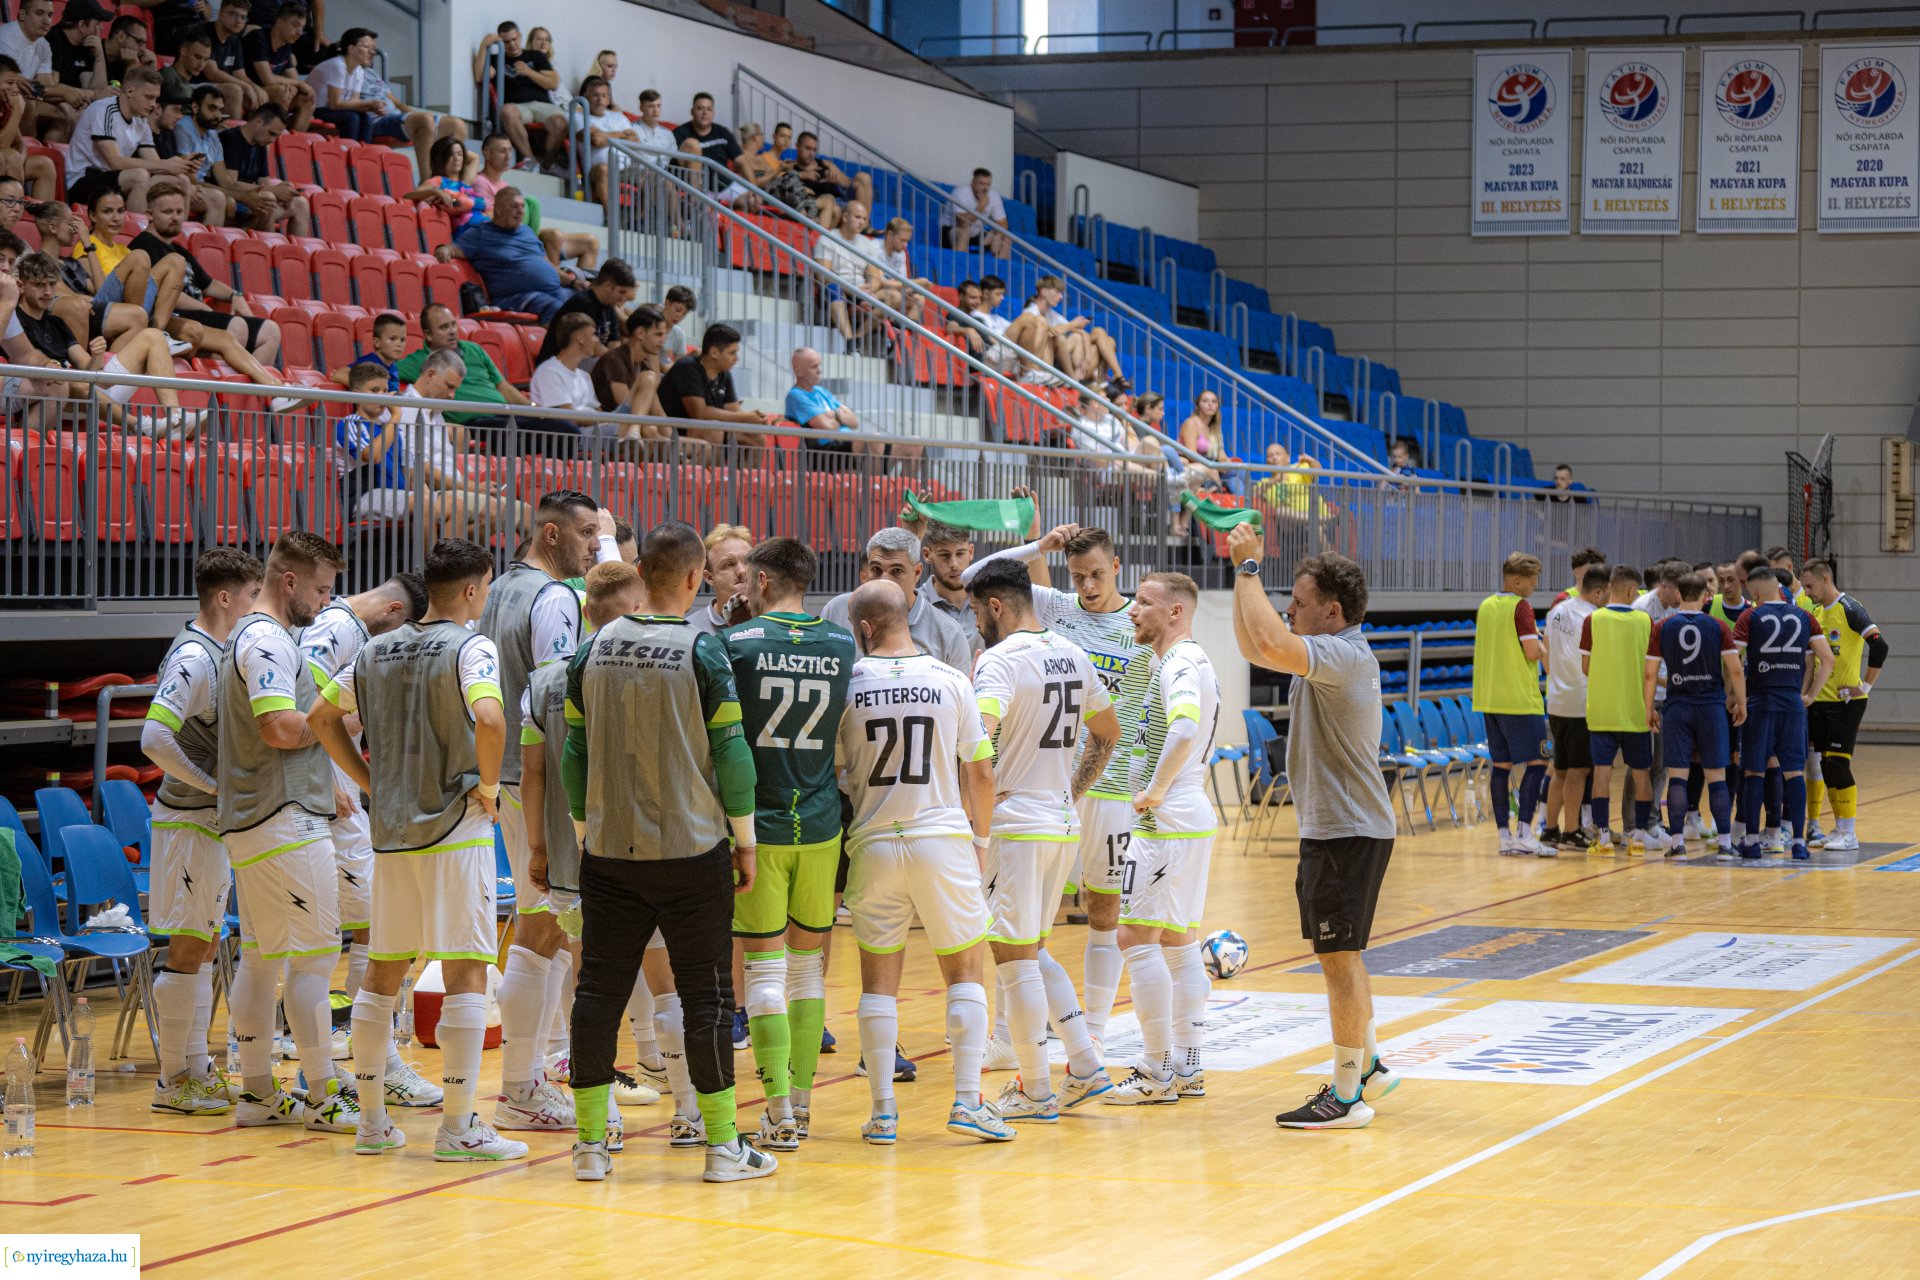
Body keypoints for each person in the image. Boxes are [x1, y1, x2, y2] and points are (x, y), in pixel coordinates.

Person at [560, 520, 776, 1184]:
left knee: (597, 991)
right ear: (692, 578)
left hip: (610, 852)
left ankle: (592, 1146)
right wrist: (745, 842)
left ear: (640, 572)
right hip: (692, 851)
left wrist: (582, 833)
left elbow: (574, 754)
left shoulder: (590, 649)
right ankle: (720, 1148)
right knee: (707, 996)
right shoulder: (704, 652)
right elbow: (734, 757)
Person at [311, 538, 524, 1162]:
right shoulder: (471, 646)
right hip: (455, 828)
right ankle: (459, 1127)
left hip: (393, 832)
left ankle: (372, 1123)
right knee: (464, 971)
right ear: (470, 590)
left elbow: (322, 717)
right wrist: (488, 787)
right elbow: (490, 719)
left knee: (382, 973)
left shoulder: (374, 650)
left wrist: (369, 781)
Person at [1227, 527, 1399, 1129]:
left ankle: (1348, 1095)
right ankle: (1370, 1064)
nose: (1287, 611)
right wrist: (1239, 575)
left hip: (1347, 830)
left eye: (1297, 603)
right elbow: (1256, 646)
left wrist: (1249, 570)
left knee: (1339, 961)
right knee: (1343, 957)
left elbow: (1269, 644)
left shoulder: (1343, 656)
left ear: (1332, 611)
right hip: (1339, 828)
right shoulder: (1328, 654)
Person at [958, 517, 1151, 1044]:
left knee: (1101, 912)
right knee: (1024, 929)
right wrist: (1039, 546)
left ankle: (1094, 1030)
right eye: (1077, 576)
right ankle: (1010, 1034)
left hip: (1108, 789)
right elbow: (976, 579)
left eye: (1095, 576)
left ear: (1116, 568)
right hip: (1052, 788)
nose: (1086, 587)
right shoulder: (1060, 609)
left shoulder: (1140, 620)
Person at [835, 578, 1013, 1146]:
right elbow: (980, 772)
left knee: (877, 982)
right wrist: (979, 842)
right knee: (964, 971)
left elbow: (833, 769)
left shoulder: (848, 683)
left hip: (873, 842)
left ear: (863, 629)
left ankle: (883, 1113)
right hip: (942, 839)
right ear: (908, 612)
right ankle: (967, 1102)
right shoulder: (951, 679)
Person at [478, 491, 620, 1135]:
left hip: (506, 774)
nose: (596, 544)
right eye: (588, 533)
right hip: (540, 775)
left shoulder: (501, 587)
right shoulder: (556, 598)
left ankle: (531, 1076)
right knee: (549, 929)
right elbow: (556, 693)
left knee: (549, 929)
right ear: (554, 534)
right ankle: (520, 1086)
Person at [215, 531, 360, 1134]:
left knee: (261, 958)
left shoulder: (257, 635)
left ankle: (256, 1093)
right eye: (322, 589)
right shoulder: (268, 639)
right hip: (284, 819)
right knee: (314, 960)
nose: (327, 604)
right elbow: (279, 728)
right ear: (290, 581)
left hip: (257, 819)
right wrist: (339, 719)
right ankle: (324, 1094)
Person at [967, 559, 1120, 1121]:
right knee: (1031, 949)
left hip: (1017, 826)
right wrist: (1071, 790)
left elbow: (977, 742)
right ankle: (1085, 1066)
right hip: (1059, 819)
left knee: (1013, 959)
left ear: (997, 606)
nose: (977, 622)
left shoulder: (998, 662)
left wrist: (978, 812)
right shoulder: (1073, 652)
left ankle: (1035, 1090)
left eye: (978, 611)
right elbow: (1108, 732)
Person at [718, 537, 855, 1149]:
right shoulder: (844, 644)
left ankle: (775, 1113)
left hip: (759, 827)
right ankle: (801, 1105)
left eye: (748, 576)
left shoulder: (735, 645)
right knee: (808, 972)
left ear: (766, 581)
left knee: (764, 969)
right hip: (823, 821)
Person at [143, 547, 264, 1117]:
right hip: (189, 822)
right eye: (250, 595)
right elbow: (152, 739)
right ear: (224, 598)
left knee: (205, 943)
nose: (255, 605)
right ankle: (172, 1080)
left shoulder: (219, 650)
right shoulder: (193, 657)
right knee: (189, 947)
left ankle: (194, 1065)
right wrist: (213, 787)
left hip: (210, 824)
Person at [1098, 571, 1221, 1106]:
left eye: (1143, 603)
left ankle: (1155, 1071)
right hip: (1190, 817)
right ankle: (1189, 1067)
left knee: (1134, 938)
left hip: (1165, 821)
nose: (1131, 610)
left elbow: (1185, 728)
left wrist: (1153, 789)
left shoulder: (1178, 663)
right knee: (1178, 940)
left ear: (1175, 612)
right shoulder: (1188, 659)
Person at [297, 569, 429, 1062]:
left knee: (370, 927)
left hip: (342, 796)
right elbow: (301, 714)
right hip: (329, 802)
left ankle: (353, 1036)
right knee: (371, 927)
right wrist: (326, 782)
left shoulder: (347, 629)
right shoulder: (334, 629)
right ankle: (353, 1040)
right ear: (395, 611)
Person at [3, 250, 203, 436]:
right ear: (21, 285)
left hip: (87, 395)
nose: (47, 292)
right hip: (55, 398)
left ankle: (176, 419)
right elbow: (24, 360)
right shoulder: (11, 319)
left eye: (51, 284)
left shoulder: (57, 323)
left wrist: (97, 357)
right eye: (39, 285)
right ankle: (141, 426)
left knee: (153, 336)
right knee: (75, 383)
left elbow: (92, 374)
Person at [130, 180, 298, 400]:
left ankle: (247, 403)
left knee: (270, 330)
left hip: (198, 313)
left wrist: (234, 295)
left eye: (180, 211)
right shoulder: (141, 246)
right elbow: (160, 293)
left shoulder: (178, 248)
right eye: (167, 211)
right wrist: (205, 309)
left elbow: (208, 284)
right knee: (235, 326)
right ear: (150, 214)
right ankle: (225, 401)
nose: (175, 217)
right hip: (175, 315)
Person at [1733, 564, 1834, 861]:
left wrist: (1736, 697)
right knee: (1793, 773)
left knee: (1754, 771)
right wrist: (1810, 696)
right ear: (1778, 587)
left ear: (1754, 592)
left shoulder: (1750, 616)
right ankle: (1799, 843)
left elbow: (1734, 662)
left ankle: (1751, 841)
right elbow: (1826, 660)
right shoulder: (1804, 616)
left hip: (1761, 704)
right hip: (1792, 706)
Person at [1647, 572, 1745, 859]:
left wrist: (1648, 708)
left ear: (1678, 594)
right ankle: (1725, 844)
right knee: (1717, 776)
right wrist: (1742, 702)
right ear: (1706, 597)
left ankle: (1677, 844)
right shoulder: (1717, 626)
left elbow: (1650, 673)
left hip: (1678, 707)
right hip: (1711, 707)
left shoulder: (1662, 626)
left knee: (1677, 777)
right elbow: (1735, 669)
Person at [1801, 558, 1885, 853]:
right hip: (1819, 702)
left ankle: (1849, 833)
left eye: (1809, 586)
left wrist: (1864, 686)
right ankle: (1838, 828)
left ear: (1825, 579)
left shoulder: (1850, 608)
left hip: (1845, 702)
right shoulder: (1816, 611)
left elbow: (1880, 645)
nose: (1807, 592)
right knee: (1826, 765)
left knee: (1838, 763)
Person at [1470, 552, 1551, 856]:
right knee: (1539, 761)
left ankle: (1504, 836)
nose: (1535, 585)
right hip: (1520, 698)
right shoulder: (1522, 607)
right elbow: (1532, 651)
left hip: (1490, 698)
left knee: (1501, 767)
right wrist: (1543, 645)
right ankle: (1526, 833)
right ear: (1516, 581)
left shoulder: (1487, 606)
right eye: (1532, 580)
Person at [821, 527, 974, 672]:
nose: (884, 579)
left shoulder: (948, 632)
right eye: (876, 569)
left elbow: (958, 696)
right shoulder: (837, 610)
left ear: (917, 573)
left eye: (896, 571)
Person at [1581, 566, 1656, 856]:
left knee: (1601, 773)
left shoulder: (1593, 619)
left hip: (1601, 710)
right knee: (1641, 774)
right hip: (1636, 710)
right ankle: (1637, 836)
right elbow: (1651, 669)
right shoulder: (1645, 621)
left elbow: (1585, 667)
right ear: (1629, 590)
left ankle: (1602, 838)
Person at [308, 28, 454, 172]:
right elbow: (335, 103)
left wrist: (371, 107)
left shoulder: (358, 70)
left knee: (364, 117)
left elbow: (353, 102)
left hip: (336, 109)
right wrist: (368, 104)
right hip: (316, 108)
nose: (372, 52)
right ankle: (346, 160)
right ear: (351, 49)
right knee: (352, 118)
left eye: (374, 48)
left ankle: (360, 159)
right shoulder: (337, 66)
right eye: (367, 47)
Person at [64, 67, 192, 213]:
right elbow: (116, 162)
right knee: (140, 176)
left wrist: (180, 166)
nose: (153, 104)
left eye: (156, 98)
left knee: (182, 181)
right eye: (149, 97)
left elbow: (154, 162)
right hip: (82, 180)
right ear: (130, 92)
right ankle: (136, 233)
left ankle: (178, 234)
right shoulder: (104, 110)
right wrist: (166, 165)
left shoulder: (142, 120)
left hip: (113, 179)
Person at [1542, 564, 1606, 851]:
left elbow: (1545, 649)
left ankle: (1550, 829)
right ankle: (1571, 831)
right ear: (1599, 591)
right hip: (1580, 701)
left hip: (1556, 700)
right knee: (1579, 771)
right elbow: (1593, 662)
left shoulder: (1556, 611)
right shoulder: (1594, 617)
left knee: (1561, 769)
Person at [392, 301, 532, 430]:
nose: (452, 331)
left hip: (506, 416)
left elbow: (502, 386)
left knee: (547, 423)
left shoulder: (475, 349)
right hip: (476, 423)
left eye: (453, 324)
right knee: (539, 430)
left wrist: (532, 408)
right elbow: (382, 371)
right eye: (444, 327)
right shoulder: (418, 361)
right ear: (428, 335)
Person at [448, 185, 578, 322]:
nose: (521, 211)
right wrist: (444, 249)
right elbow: (452, 249)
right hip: (514, 299)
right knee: (555, 308)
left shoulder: (527, 232)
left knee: (587, 300)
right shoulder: (480, 234)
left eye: (522, 206)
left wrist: (574, 282)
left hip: (553, 293)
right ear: (498, 210)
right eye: (515, 206)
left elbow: (548, 264)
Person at [657, 322, 777, 449]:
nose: (736, 359)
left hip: (704, 430)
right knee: (714, 431)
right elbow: (700, 413)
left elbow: (733, 409)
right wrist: (746, 417)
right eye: (732, 353)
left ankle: (741, 470)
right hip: (673, 433)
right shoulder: (687, 367)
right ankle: (712, 469)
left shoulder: (724, 374)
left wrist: (754, 419)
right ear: (714, 352)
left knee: (757, 439)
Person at [1002, 275, 1120, 387]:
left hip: (1058, 360)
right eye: (1058, 292)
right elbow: (1049, 333)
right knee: (1064, 338)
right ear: (1044, 292)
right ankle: (1076, 379)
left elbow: (1081, 332)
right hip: (1035, 362)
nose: (1061, 297)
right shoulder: (1030, 313)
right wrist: (1072, 325)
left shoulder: (1052, 314)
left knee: (1106, 339)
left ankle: (1108, 378)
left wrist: (1087, 359)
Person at [212, 101, 311, 235]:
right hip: (232, 198)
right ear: (258, 122)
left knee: (301, 204)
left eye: (276, 135)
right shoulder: (231, 138)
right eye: (271, 133)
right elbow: (231, 183)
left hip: (253, 199)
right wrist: (274, 191)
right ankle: (268, 248)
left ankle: (297, 254)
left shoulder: (261, 144)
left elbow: (263, 183)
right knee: (268, 198)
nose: (273, 139)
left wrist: (284, 193)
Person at [473, 22, 561, 167]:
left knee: (560, 122)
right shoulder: (498, 59)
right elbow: (480, 76)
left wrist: (529, 72)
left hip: (543, 105)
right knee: (507, 111)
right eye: (507, 42)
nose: (512, 45)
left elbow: (553, 83)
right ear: (501, 41)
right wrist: (483, 46)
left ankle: (548, 164)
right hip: (518, 107)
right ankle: (531, 161)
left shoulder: (536, 56)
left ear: (520, 36)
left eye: (514, 39)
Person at [529, 311, 613, 440]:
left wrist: (607, 419)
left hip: (596, 429)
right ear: (580, 338)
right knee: (628, 430)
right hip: (574, 435)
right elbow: (568, 416)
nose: (597, 340)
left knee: (644, 428)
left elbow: (598, 411)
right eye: (593, 334)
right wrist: (607, 419)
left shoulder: (584, 376)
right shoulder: (550, 371)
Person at [534, 258, 635, 363]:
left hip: (583, 362)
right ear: (608, 286)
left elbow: (614, 343)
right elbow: (593, 348)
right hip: (559, 364)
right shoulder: (582, 303)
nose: (623, 299)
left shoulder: (609, 306)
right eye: (621, 292)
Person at [242, 2, 315, 132]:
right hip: (249, 90)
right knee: (282, 92)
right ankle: (272, 136)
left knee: (307, 97)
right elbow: (267, 79)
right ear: (280, 23)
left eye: (302, 27)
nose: (300, 32)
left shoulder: (286, 45)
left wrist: (295, 86)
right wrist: (296, 83)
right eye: (295, 25)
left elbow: (295, 79)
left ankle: (293, 144)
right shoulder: (258, 38)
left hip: (267, 93)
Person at [913, 522, 982, 654]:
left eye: (960, 553)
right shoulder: (915, 604)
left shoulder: (990, 598)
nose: (954, 564)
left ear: (971, 551)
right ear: (927, 555)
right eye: (945, 555)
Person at [592, 303, 667, 419]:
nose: (664, 341)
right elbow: (626, 408)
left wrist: (672, 436)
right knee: (650, 429)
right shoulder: (615, 360)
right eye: (658, 334)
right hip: (607, 429)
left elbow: (658, 413)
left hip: (630, 428)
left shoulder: (645, 367)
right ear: (640, 333)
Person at [785, 129, 869, 230]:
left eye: (814, 150)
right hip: (823, 205)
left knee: (863, 177)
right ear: (797, 146)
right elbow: (787, 186)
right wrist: (804, 175)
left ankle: (865, 225)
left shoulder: (825, 164)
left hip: (841, 201)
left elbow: (847, 182)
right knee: (834, 209)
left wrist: (837, 181)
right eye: (808, 148)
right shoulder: (791, 167)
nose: (811, 153)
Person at [576, 75, 635, 208]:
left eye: (603, 95)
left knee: (661, 181)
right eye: (595, 95)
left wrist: (606, 136)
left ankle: (681, 227)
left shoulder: (619, 117)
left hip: (627, 169)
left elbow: (635, 140)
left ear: (609, 99)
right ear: (586, 97)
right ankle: (614, 222)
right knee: (603, 170)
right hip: (598, 170)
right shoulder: (578, 117)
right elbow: (596, 140)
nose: (600, 99)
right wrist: (622, 135)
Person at [405, 136, 487, 232]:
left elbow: (475, 158)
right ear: (441, 158)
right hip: (468, 233)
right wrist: (435, 191)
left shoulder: (465, 182)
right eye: (450, 155)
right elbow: (408, 197)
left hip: (484, 228)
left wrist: (453, 145)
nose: (456, 158)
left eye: (460, 154)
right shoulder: (438, 181)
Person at [685, 524, 752, 638]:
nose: (742, 571)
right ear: (709, 578)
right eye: (728, 564)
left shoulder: (775, 623)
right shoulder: (691, 630)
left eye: (747, 561)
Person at [942, 167, 1011, 256]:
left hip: (975, 234)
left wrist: (998, 237)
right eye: (981, 184)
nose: (985, 188)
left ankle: (999, 268)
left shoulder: (993, 196)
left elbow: (1003, 223)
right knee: (964, 232)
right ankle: (959, 265)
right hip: (951, 231)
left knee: (1005, 238)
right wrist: (981, 206)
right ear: (973, 183)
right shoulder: (961, 193)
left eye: (988, 184)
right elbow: (963, 223)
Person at [330, 310, 406, 391]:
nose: (399, 344)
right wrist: (369, 390)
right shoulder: (370, 363)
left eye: (402, 340)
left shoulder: (393, 366)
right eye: (392, 338)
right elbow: (338, 375)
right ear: (377, 342)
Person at [631, 87, 675, 158]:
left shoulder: (668, 134)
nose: (656, 110)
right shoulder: (632, 130)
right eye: (651, 106)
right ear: (641, 108)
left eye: (658, 106)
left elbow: (673, 160)